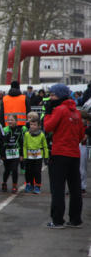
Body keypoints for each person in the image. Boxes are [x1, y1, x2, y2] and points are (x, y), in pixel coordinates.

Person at [44, 83, 84, 229]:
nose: (50, 98)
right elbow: (81, 135)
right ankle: (75, 219)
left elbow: (48, 127)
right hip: (74, 153)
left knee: (58, 188)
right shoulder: (76, 112)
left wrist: (48, 113)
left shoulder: (59, 110)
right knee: (75, 188)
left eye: (53, 95)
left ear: (59, 96)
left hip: (60, 153)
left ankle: (57, 220)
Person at [23, 117, 48, 194]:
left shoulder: (42, 135)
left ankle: (37, 186)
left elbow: (45, 146)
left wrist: (46, 157)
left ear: (38, 126)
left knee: (37, 172)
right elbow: (24, 146)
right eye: (31, 124)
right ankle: (30, 185)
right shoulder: (27, 134)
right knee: (29, 171)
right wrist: (25, 156)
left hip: (38, 156)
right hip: (29, 156)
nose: (32, 126)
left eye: (34, 125)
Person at [1, 115, 25, 193]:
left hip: (16, 153)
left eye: (12, 120)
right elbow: (1, 143)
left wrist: (21, 155)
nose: (10, 122)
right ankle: (4, 183)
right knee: (7, 170)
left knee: (14, 169)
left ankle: (14, 185)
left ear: (16, 121)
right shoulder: (4, 130)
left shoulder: (19, 130)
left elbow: (21, 143)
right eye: (9, 120)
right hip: (7, 153)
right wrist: (2, 155)